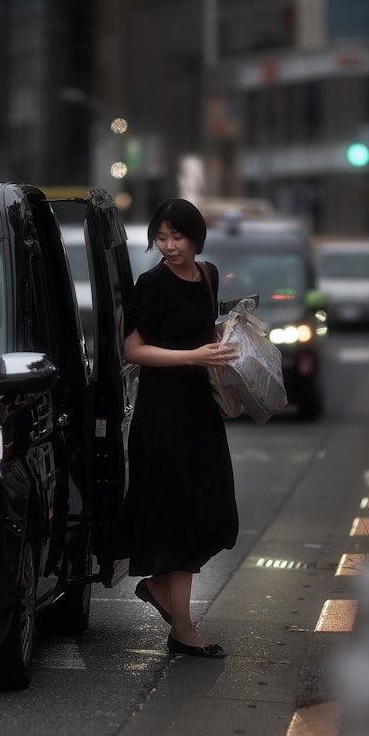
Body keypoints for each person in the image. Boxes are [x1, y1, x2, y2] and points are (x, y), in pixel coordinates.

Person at [121, 198, 240, 659]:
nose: (169, 247)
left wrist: (234, 340)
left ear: (196, 238)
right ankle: (184, 627)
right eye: (161, 238)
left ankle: (157, 588)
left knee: (210, 509)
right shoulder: (150, 284)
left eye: (178, 237)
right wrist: (193, 357)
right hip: (162, 414)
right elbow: (132, 350)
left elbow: (209, 333)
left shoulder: (208, 276)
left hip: (200, 411)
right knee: (178, 515)